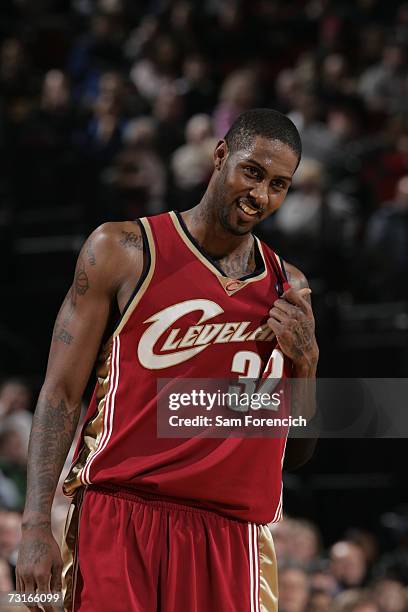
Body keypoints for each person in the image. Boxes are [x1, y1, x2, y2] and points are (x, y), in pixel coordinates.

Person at [16, 108, 319, 612]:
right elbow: (62, 393)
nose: (261, 196)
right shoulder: (121, 249)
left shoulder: (290, 288)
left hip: (232, 535)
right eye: (253, 172)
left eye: (279, 184)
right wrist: (33, 524)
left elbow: (298, 451)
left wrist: (307, 363)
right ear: (220, 155)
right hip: (120, 515)